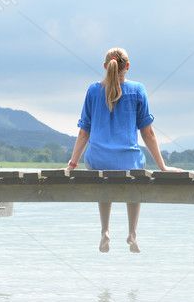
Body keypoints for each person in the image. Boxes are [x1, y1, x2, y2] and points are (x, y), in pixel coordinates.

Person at [66, 47, 181, 253]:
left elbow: (84, 133)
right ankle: (132, 234)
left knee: (103, 180)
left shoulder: (93, 91)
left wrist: (73, 163)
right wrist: (163, 166)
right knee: (134, 179)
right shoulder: (138, 90)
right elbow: (148, 134)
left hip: (97, 159)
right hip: (128, 160)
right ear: (127, 66)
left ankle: (105, 232)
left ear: (104, 66)